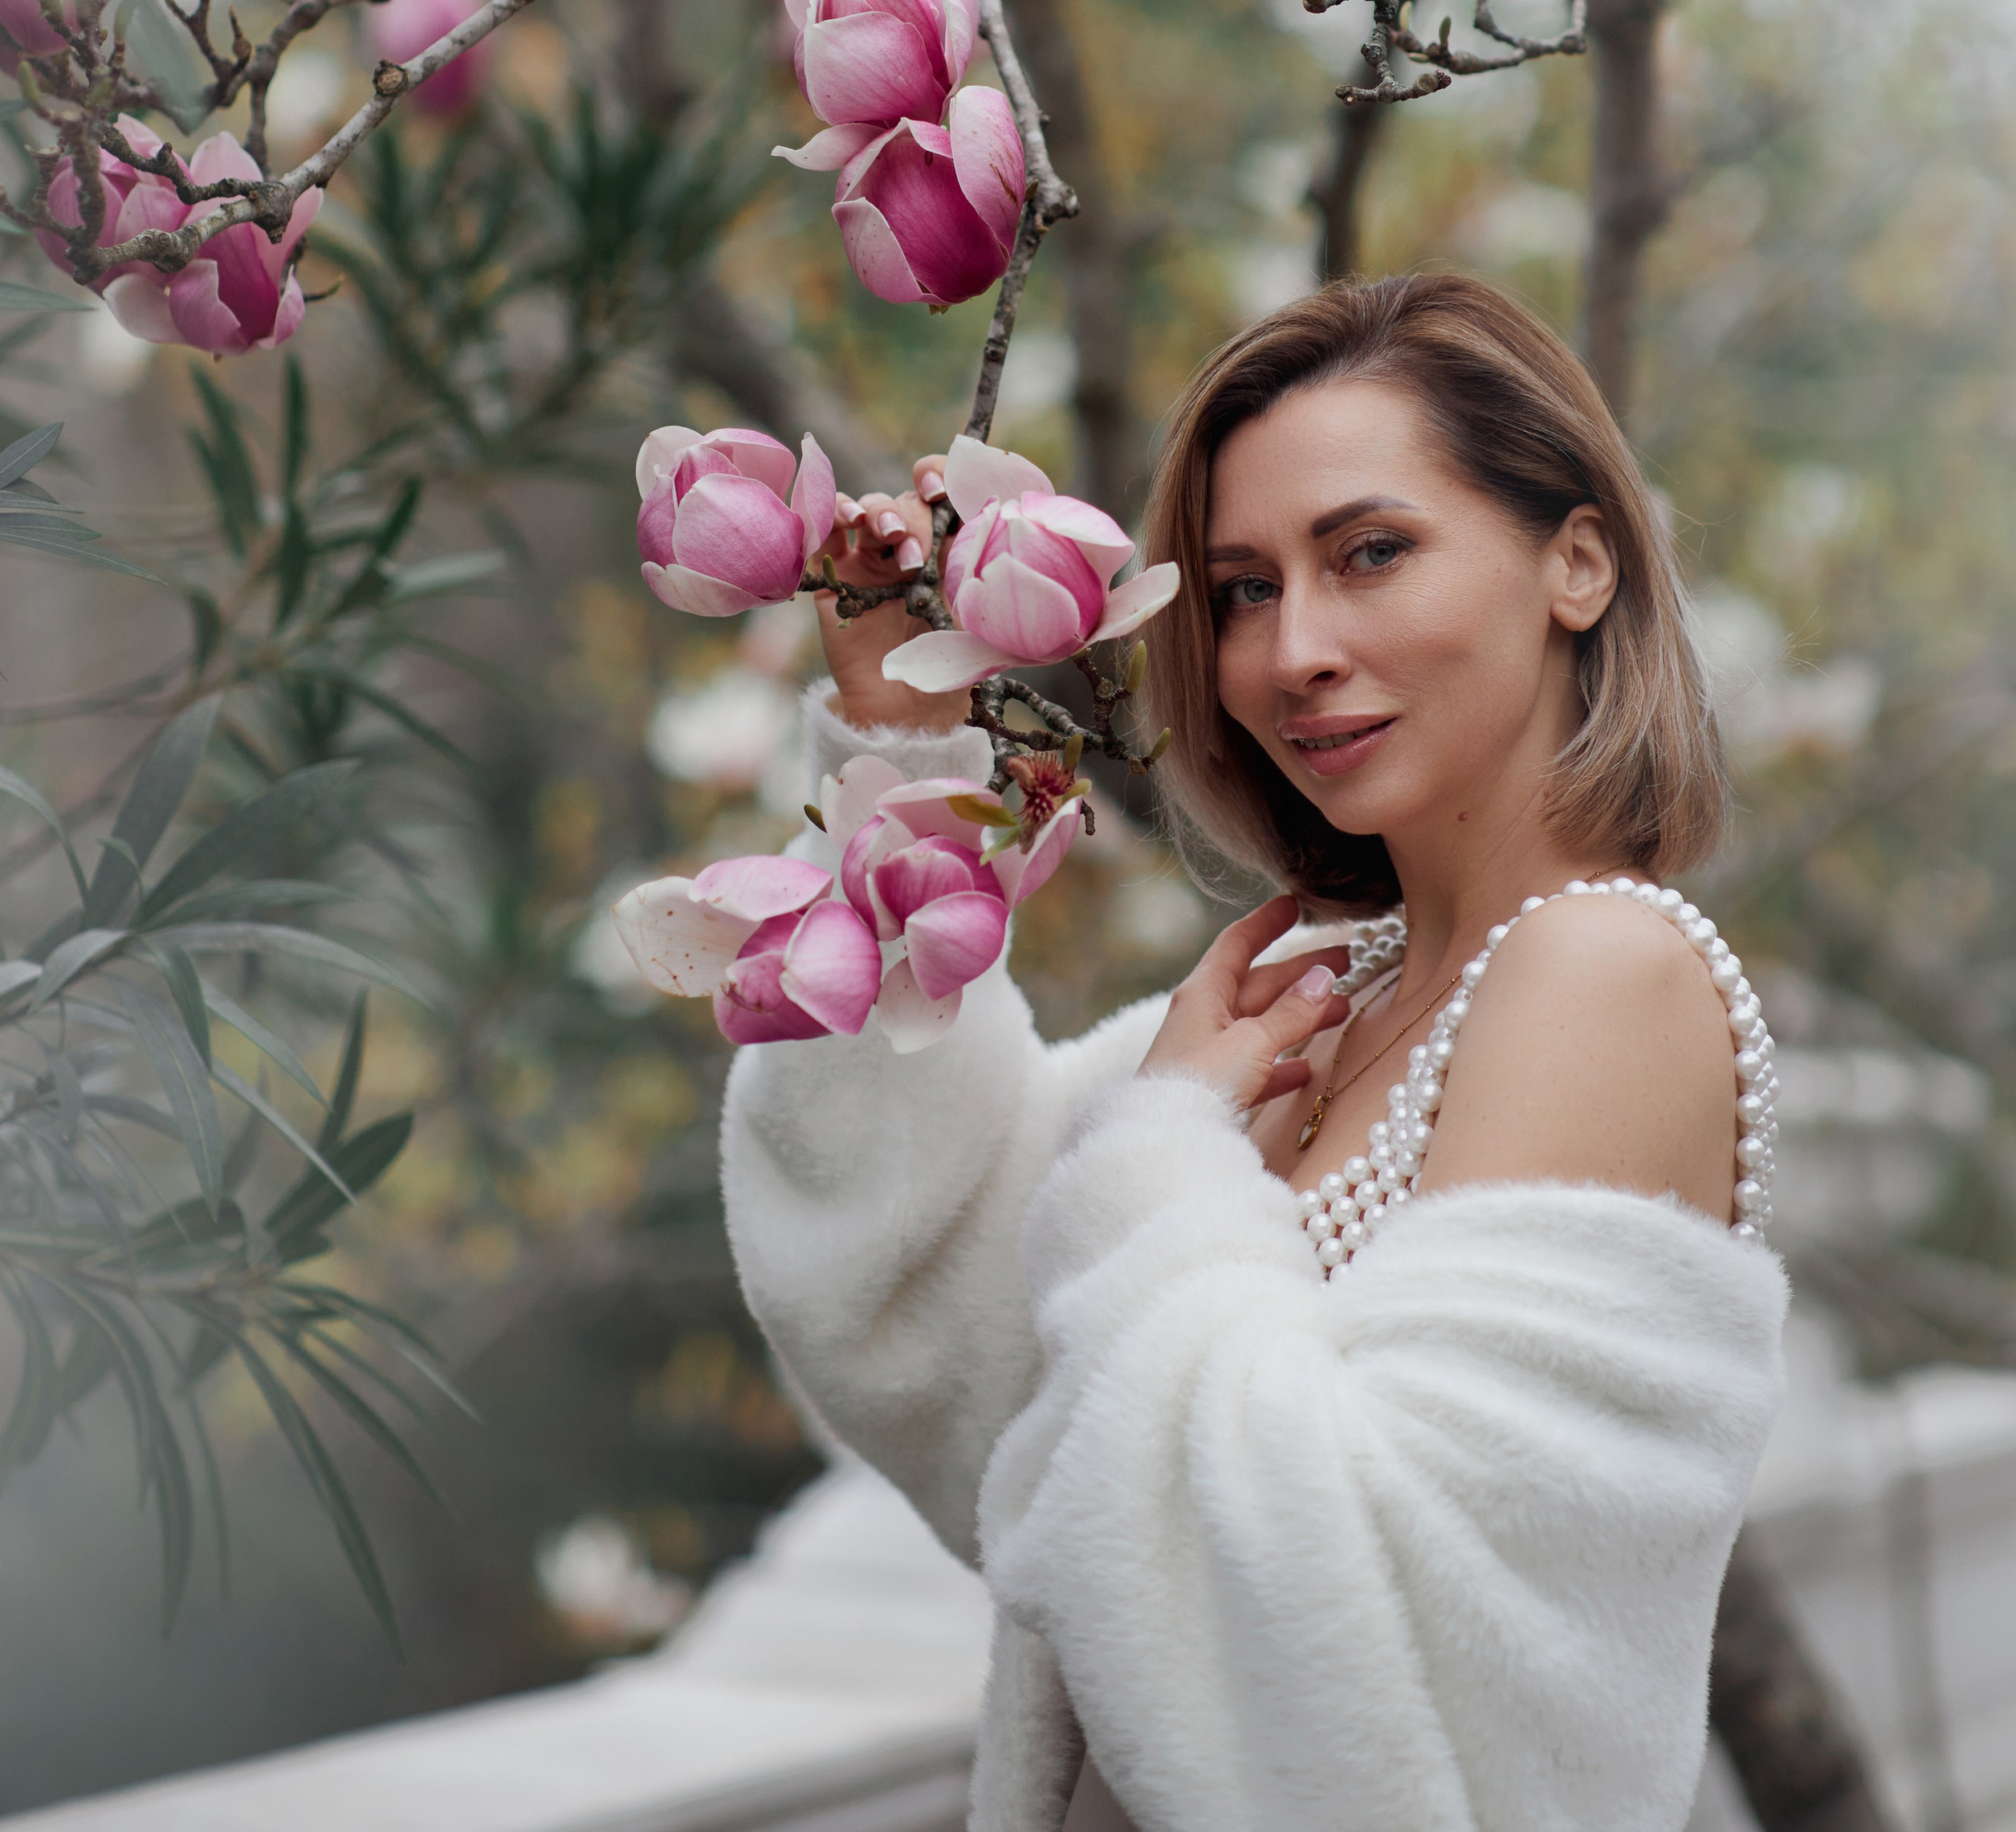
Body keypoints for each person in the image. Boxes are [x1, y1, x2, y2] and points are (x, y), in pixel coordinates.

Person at [721, 275, 1786, 1832]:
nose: (1292, 650)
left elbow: (1331, 1620)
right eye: (1236, 589)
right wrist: (897, 754)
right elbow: (919, 1321)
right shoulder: (1309, 998)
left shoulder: (1599, 972)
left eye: (1368, 553)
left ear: (1575, 561)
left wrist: (1157, 1157)